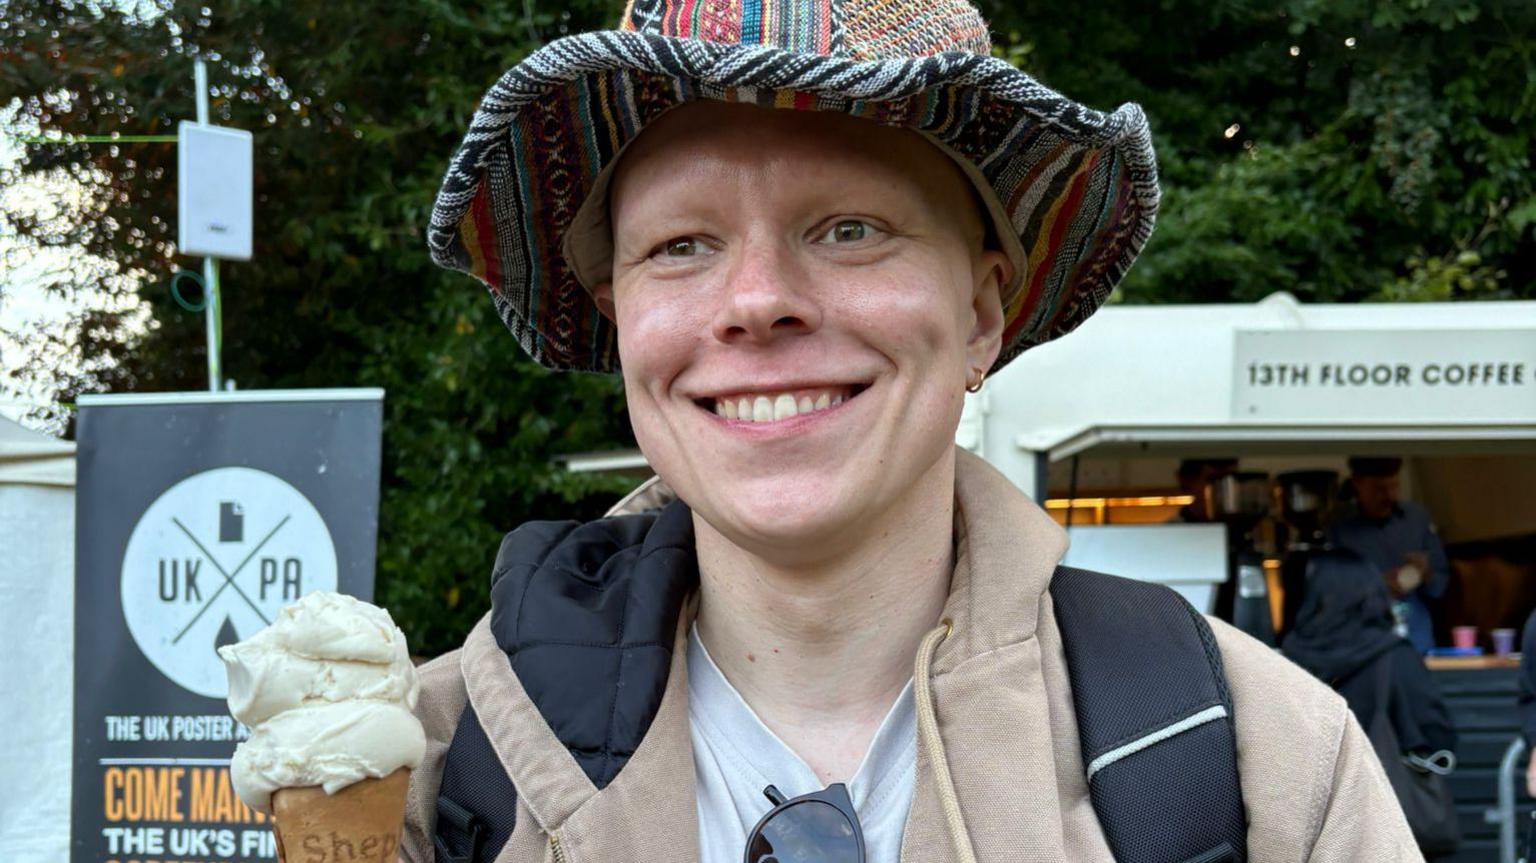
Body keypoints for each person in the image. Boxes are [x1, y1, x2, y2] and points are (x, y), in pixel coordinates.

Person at [400, 0, 1418, 859]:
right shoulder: (420, 770)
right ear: (622, 313)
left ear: (982, 312)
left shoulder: (1266, 765)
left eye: (850, 227)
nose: (755, 300)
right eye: (680, 244)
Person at [1283, 550, 1460, 856]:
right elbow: (1437, 734)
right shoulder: (1395, 656)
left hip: (1310, 824)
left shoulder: (1287, 658)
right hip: (1384, 821)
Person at [1330, 456, 1451, 653]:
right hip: (1363, 646)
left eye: (1394, 487)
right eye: (1379, 489)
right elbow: (1328, 595)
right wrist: (1377, 585)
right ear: (1357, 484)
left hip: (1417, 641)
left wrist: (1426, 573)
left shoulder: (1417, 519)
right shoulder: (1338, 528)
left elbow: (1440, 587)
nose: (1389, 496)